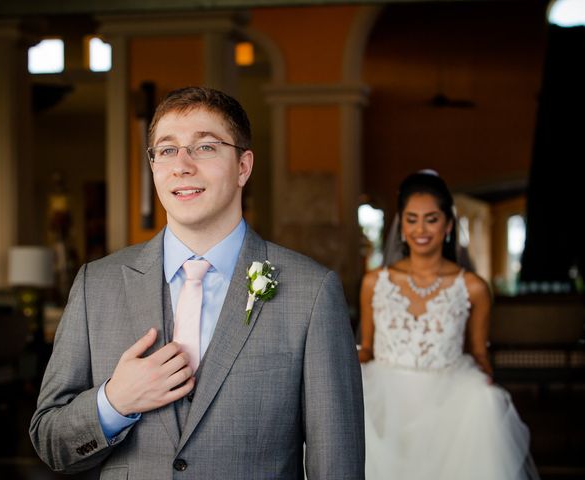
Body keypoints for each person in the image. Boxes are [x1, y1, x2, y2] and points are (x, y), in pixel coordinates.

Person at [30, 86, 365, 479]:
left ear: (243, 166)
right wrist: (113, 402)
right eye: (167, 150)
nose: (182, 165)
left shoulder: (311, 291)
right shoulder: (96, 285)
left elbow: (336, 463)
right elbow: (51, 443)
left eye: (205, 147)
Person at [359, 171, 539, 480]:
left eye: (431, 219)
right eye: (412, 219)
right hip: (382, 400)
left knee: (485, 405)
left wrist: (484, 387)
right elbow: (368, 349)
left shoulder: (473, 288)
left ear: (448, 225)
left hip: (450, 402)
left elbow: (480, 354)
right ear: (401, 225)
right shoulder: (375, 282)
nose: (421, 229)